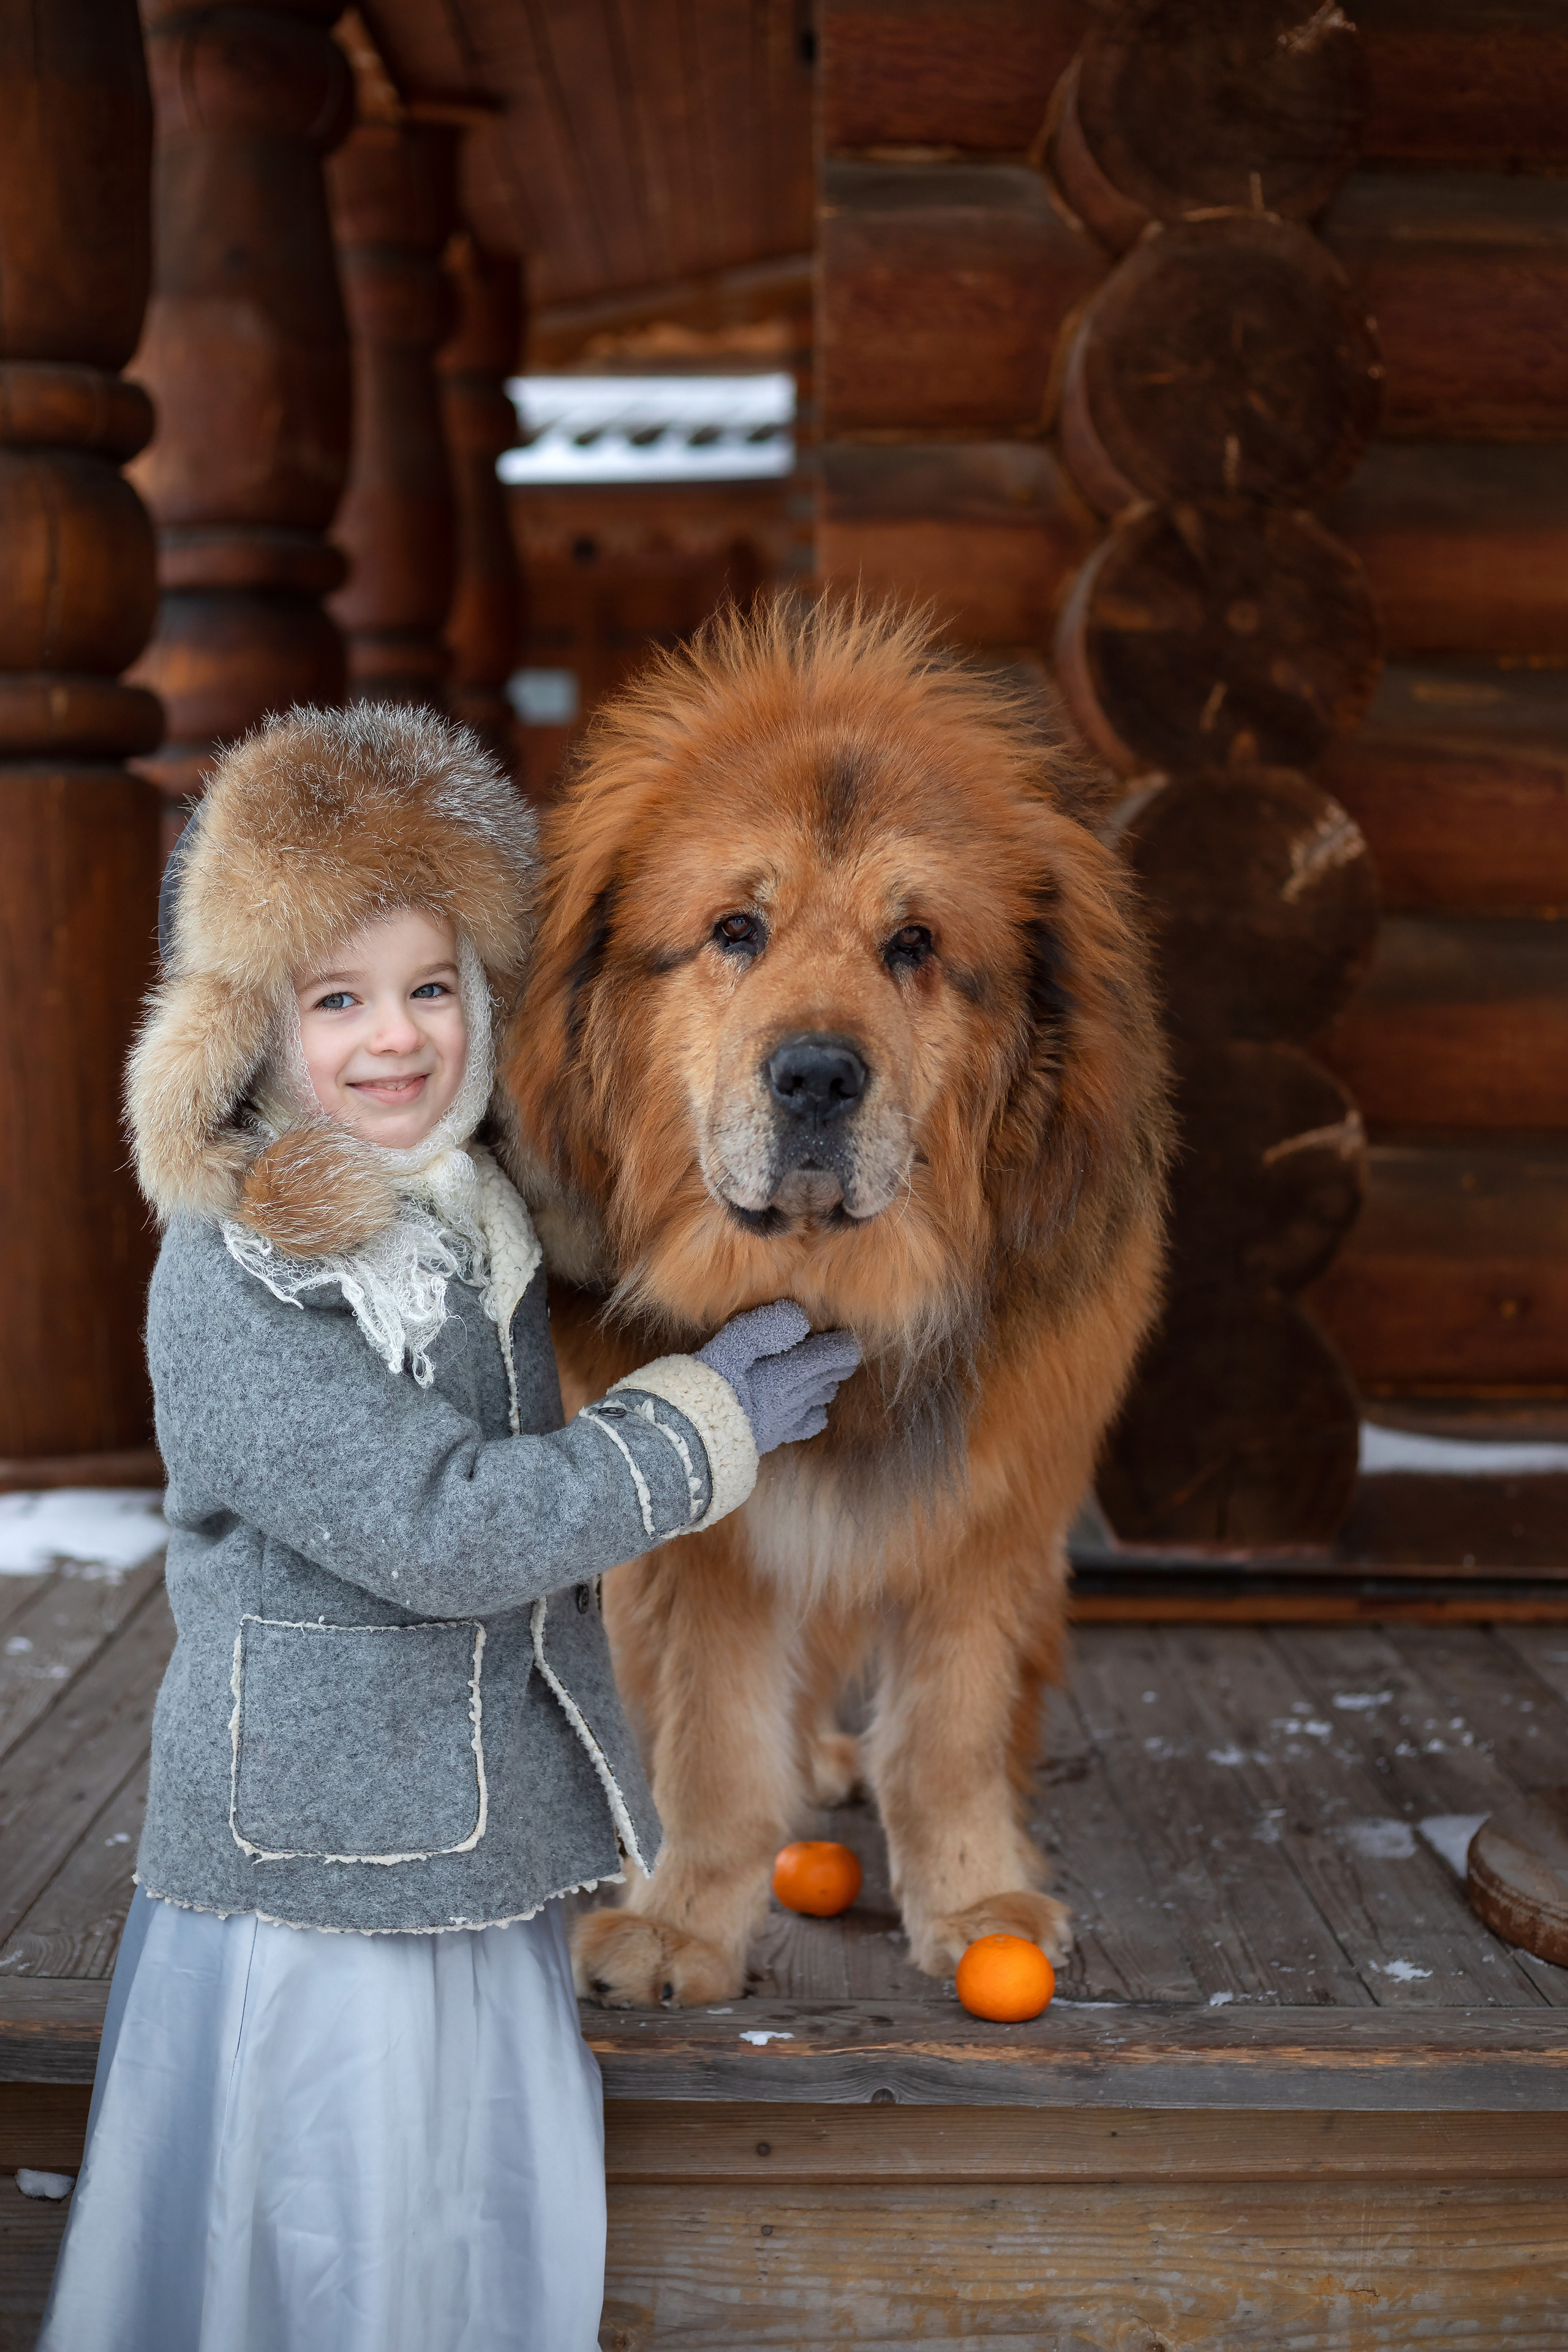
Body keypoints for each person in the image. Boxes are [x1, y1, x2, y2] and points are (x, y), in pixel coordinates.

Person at [39, 704, 859, 2352]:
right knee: (332, 2241)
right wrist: (706, 1427)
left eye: (430, 987)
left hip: (473, 1868)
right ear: (252, 1034)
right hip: (319, 1882)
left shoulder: (472, 1214)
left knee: (474, 2227)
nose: (393, 1039)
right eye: (335, 1000)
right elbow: (439, 1528)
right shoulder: (237, 1277)